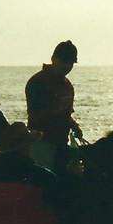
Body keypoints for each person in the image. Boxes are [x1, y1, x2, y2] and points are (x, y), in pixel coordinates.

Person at [24, 40, 83, 175]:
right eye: (64, 61)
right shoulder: (37, 82)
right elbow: (33, 116)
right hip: (42, 144)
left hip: (62, 143)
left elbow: (66, 114)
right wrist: (56, 110)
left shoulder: (67, 85)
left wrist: (74, 125)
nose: (67, 66)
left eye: (71, 63)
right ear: (53, 59)